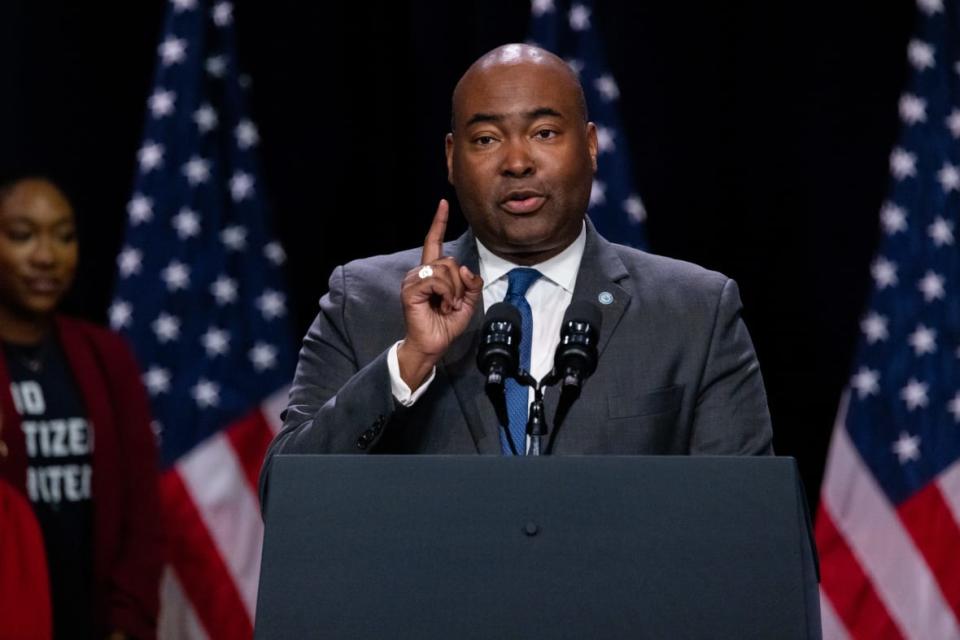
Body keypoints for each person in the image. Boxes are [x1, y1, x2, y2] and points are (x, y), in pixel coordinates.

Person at [260, 44, 772, 501]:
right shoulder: (363, 302)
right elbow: (285, 499)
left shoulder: (695, 312)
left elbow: (743, 524)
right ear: (452, 157)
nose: (517, 161)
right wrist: (408, 362)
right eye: (486, 139)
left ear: (591, 146)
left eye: (544, 132)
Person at [0, 175, 164, 639]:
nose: (47, 256)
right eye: (22, 235)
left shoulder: (106, 356)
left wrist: (126, 624)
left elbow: (142, 515)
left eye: (64, 235)